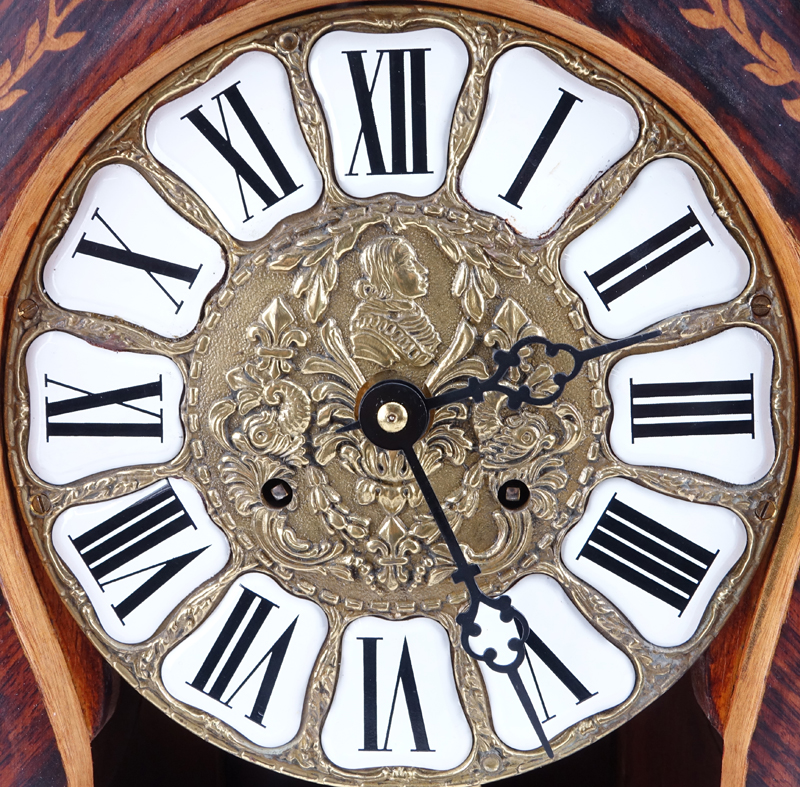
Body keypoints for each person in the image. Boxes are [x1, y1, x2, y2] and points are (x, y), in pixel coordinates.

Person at [350, 236, 441, 367]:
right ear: (386, 274)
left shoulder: (413, 313)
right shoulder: (368, 328)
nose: (423, 270)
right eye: (410, 263)